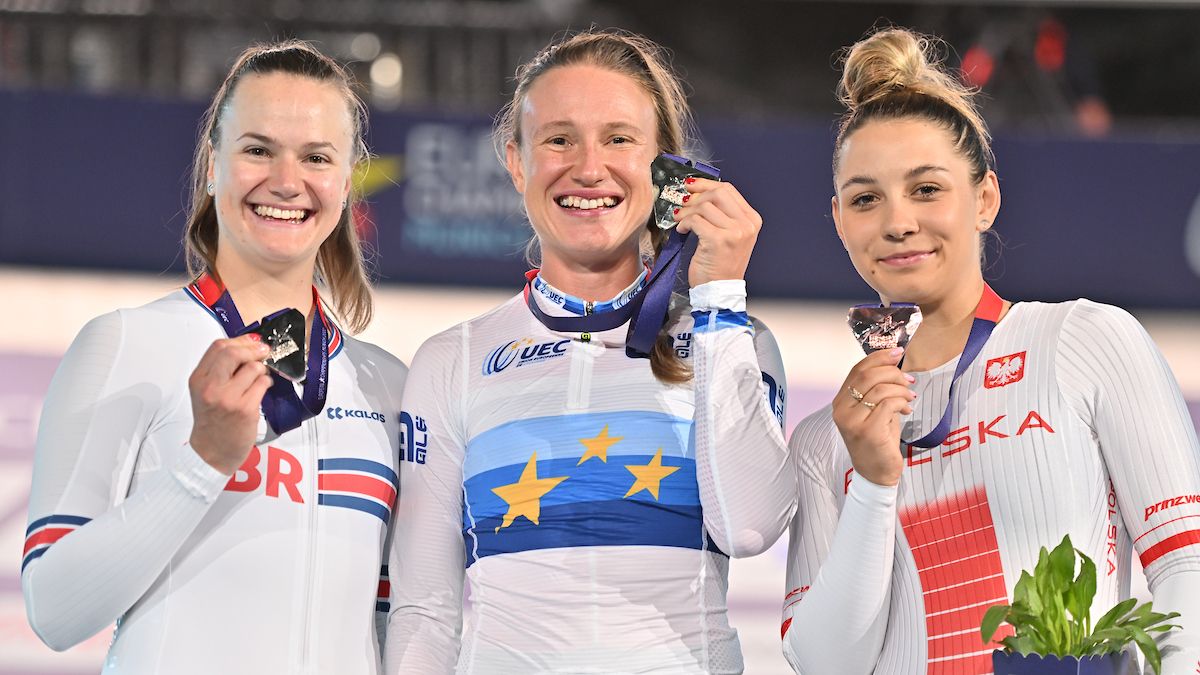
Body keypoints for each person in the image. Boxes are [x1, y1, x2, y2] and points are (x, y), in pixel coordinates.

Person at [779, 27, 1200, 674]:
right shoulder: (825, 441)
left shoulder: (1083, 340)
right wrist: (873, 481)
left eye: (926, 189)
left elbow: (1186, 569)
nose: (897, 221)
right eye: (866, 199)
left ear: (985, 198)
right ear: (838, 220)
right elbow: (826, 663)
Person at [384, 29, 793, 674]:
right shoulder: (452, 359)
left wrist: (719, 298)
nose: (589, 167)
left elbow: (749, 528)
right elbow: (425, 611)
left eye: (619, 139)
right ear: (517, 163)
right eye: (558, 139)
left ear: (665, 169)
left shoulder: (733, 339)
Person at [21, 41, 407, 674]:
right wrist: (203, 464)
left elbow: (396, 623)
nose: (286, 181)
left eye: (315, 157)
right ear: (211, 164)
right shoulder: (125, 344)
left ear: (344, 183)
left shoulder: (386, 385)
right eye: (257, 150)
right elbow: (53, 610)